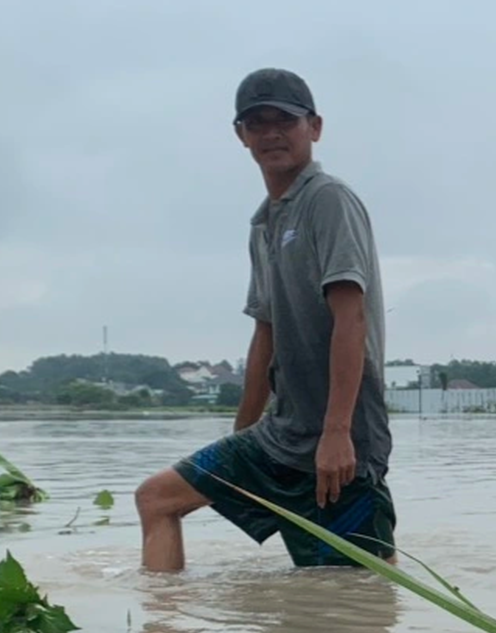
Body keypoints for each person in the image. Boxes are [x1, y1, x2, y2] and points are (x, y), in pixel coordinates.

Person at [135, 67, 395, 572]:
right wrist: (241, 434)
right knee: (157, 499)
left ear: (314, 127)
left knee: (347, 592)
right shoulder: (265, 222)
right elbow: (266, 333)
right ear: (241, 136)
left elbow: (351, 317)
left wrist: (336, 432)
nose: (271, 133)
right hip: (280, 431)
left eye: (286, 120)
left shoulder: (328, 200)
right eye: (257, 123)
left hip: (340, 436)